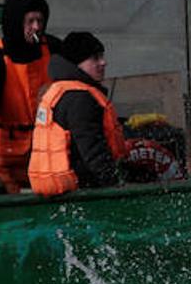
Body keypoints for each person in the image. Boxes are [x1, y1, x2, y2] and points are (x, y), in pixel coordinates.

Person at [0, 0, 61, 193]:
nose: (36, 27)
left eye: (40, 21)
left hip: (47, 151)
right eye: (30, 22)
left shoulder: (53, 49)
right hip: (7, 156)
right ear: (15, 22)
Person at [29, 31, 129, 194]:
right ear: (77, 64)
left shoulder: (59, 90)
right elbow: (92, 151)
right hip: (81, 190)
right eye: (95, 58)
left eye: (102, 56)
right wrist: (117, 186)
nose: (104, 62)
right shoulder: (80, 98)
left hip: (59, 189)